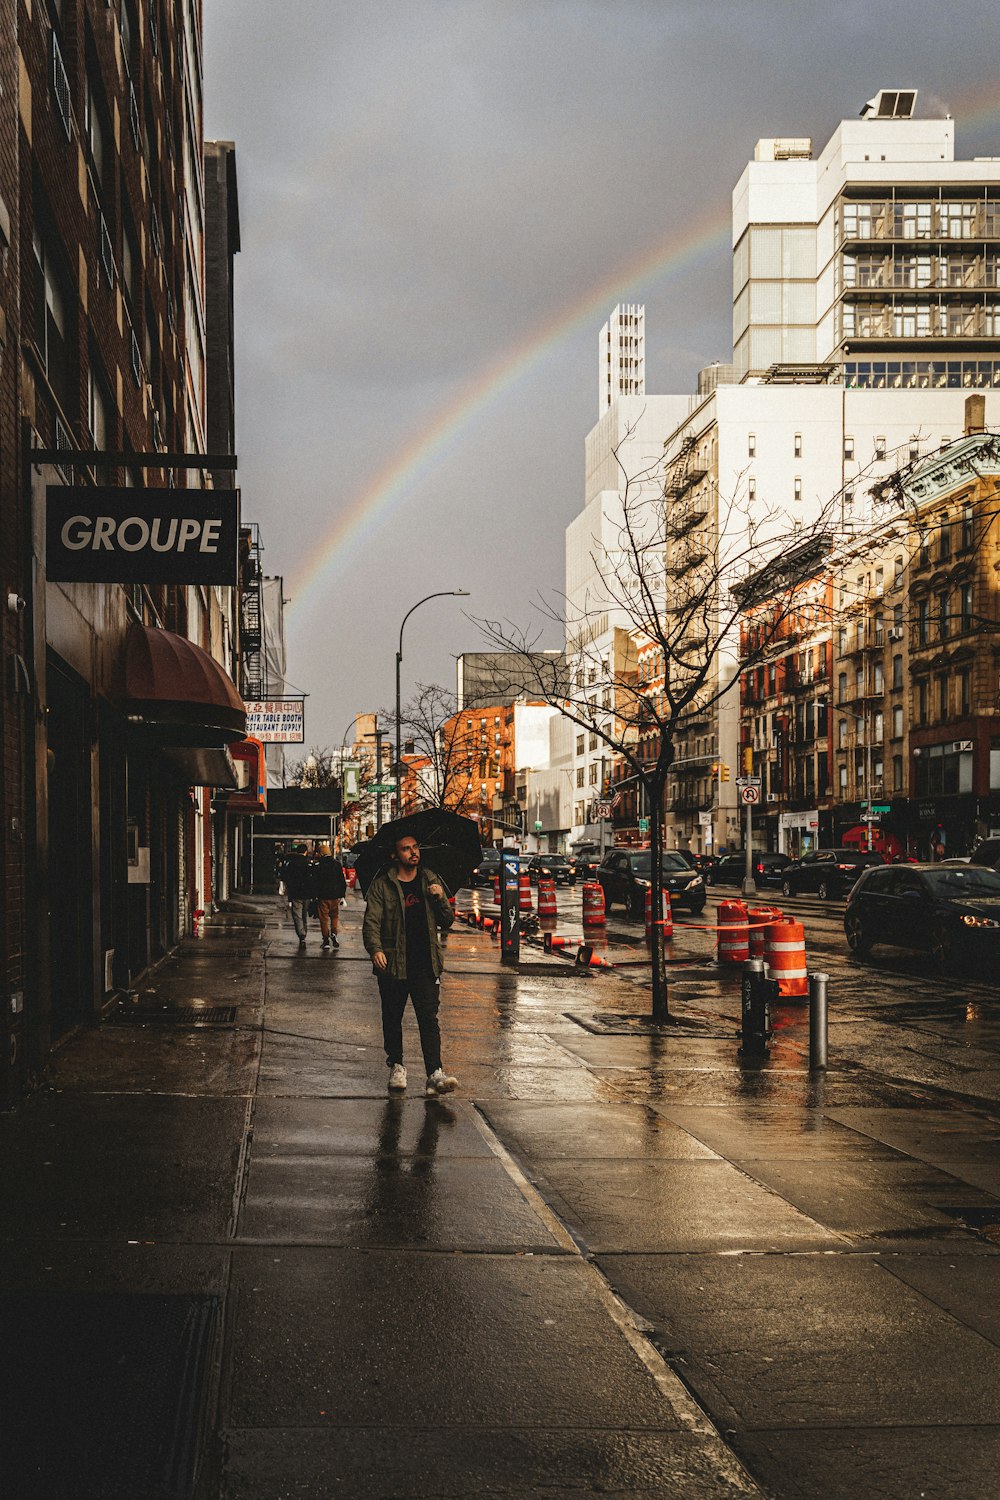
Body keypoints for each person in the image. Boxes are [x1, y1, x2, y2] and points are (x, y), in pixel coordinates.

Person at [362, 833, 458, 1096]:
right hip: (393, 964)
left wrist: (439, 898)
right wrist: (375, 949)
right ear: (395, 855)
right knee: (392, 1018)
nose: (413, 852)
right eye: (406, 849)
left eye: (415, 847)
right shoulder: (383, 886)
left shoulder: (430, 880)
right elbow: (371, 922)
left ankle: (435, 1073)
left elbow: (447, 921)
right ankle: (397, 1065)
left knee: (428, 1019)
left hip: (426, 964)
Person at [313, 845, 347, 949]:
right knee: (334, 916)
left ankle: (326, 940)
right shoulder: (336, 864)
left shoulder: (319, 865)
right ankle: (334, 933)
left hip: (323, 896)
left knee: (324, 919)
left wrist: (315, 895)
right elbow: (341, 880)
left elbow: (316, 882)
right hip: (335, 896)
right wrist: (342, 895)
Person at [283, 842, 314, 945]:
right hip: (307, 893)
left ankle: (301, 935)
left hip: (296, 892)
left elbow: (287, 877)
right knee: (304, 914)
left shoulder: (292, 863)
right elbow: (313, 879)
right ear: (306, 852)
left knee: (297, 915)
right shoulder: (309, 863)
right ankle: (304, 932)